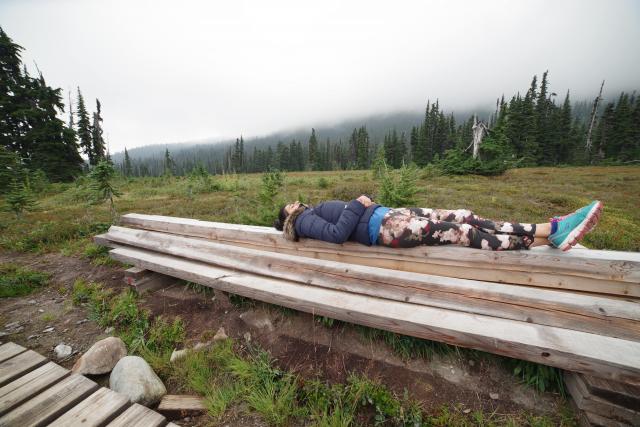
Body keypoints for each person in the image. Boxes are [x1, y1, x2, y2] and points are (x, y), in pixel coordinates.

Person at [272, 196, 603, 251]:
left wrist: (365, 203)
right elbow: (336, 234)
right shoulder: (301, 223)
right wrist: (358, 205)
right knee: (464, 233)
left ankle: (546, 232)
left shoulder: (310, 211)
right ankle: (549, 233)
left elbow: (345, 218)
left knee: (464, 216)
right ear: (288, 216)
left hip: (390, 214)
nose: (294, 203)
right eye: (288, 205)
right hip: (388, 229)